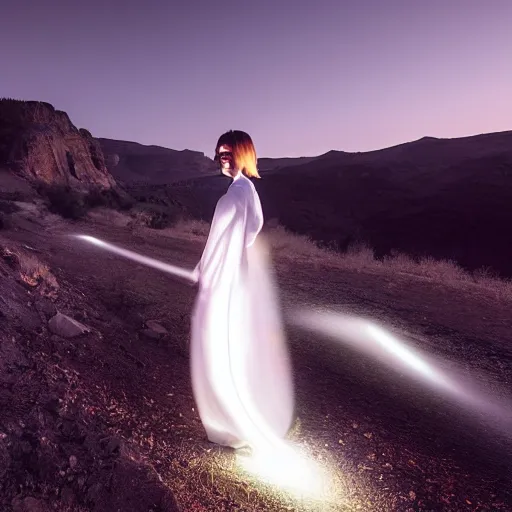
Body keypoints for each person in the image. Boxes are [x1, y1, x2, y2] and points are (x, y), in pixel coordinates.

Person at [190, 130, 294, 451]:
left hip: (224, 283)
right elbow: (252, 230)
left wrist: (206, 268)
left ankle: (230, 427)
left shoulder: (235, 194)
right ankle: (234, 423)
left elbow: (217, 242)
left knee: (216, 349)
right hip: (236, 278)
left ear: (243, 154)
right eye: (220, 152)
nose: (223, 157)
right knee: (227, 347)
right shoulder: (248, 190)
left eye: (229, 152)